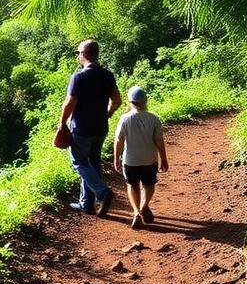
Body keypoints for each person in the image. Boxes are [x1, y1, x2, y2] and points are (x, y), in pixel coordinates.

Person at [60, 39, 121, 217]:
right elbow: (117, 101)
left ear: (83, 55)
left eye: (78, 52)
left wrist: (62, 124)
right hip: (101, 128)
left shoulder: (78, 77)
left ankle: (102, 192)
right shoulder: (107, 75)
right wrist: (107, 114)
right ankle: (86, 204)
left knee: (79, 162)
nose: (77, 56)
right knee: (93, 163)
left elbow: (69, 103)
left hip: (82, 129)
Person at [114, 86, 169, 229]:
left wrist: (116, 158)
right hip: (150, 159)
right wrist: (163, 158)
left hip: (130, 160)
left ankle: (137, 213)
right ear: (145, 101)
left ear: (130, 102)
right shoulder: (154, 119)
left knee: (132, 185)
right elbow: (159, 140)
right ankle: (145, 205)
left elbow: (119, 140)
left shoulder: (124, 119)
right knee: (149, 185)